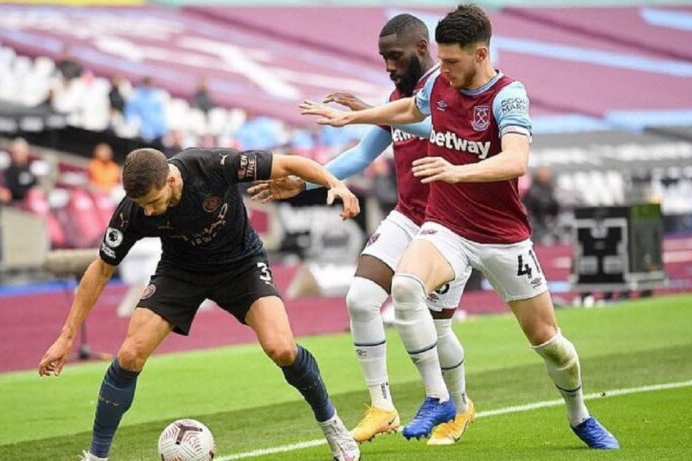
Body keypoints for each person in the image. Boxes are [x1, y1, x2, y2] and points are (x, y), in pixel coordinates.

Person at [300, 4, 619, 449]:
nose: (443, 70)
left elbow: (516, 160)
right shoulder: (439, 85)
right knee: (406, 287)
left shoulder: (508, 95)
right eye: (441, 59)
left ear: (480, 54)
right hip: (446, 226)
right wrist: (352, 118)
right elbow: (412, 110)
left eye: (451, 61)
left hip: (502, 236)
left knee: (548, 341)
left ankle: (579, 414)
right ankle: (439, 398)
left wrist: (456, 171)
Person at [38, 147, 362, 461]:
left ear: (171, 181)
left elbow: (290, 163)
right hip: (181, 272)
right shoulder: (133, 211)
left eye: (153, 202)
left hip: (242, 265)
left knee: (283, 349)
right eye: (142, 205)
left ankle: (332, 425)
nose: (147, 212)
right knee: (130, 353)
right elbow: (101, 270)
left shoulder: (213, 165)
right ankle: (96, 456)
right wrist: (66, 337)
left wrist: (335, 184)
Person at [248, 14, 475, 446]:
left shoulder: (448, 87)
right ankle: (382, 407)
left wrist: (370, 113)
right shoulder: (395, 99)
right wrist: (306, 181)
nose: (389, 65)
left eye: (396, 56)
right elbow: (360, 155)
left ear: (422, 48)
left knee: (438, 327)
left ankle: (459, 406)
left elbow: (438, 127)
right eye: (383, 57)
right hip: (409, 215)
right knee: (360, 298)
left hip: (451, 224)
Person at [523, 166, 560, 244]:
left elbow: (551, 196)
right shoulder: (533, 186)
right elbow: (530, 198)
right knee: (540, 204)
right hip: (535, 208)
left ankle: (553, 224)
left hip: (547, 207)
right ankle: (539, 226)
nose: (545, 177)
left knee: (555, 204)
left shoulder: (549, 186)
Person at [3, 138, 37, 203]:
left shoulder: (30, 169)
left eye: (21, 152)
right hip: (16, 202)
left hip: (30, 200)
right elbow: (11, 190)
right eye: (16, 152)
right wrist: (27, 193)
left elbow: (34, 184)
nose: (18, 155)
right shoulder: (10, 170)